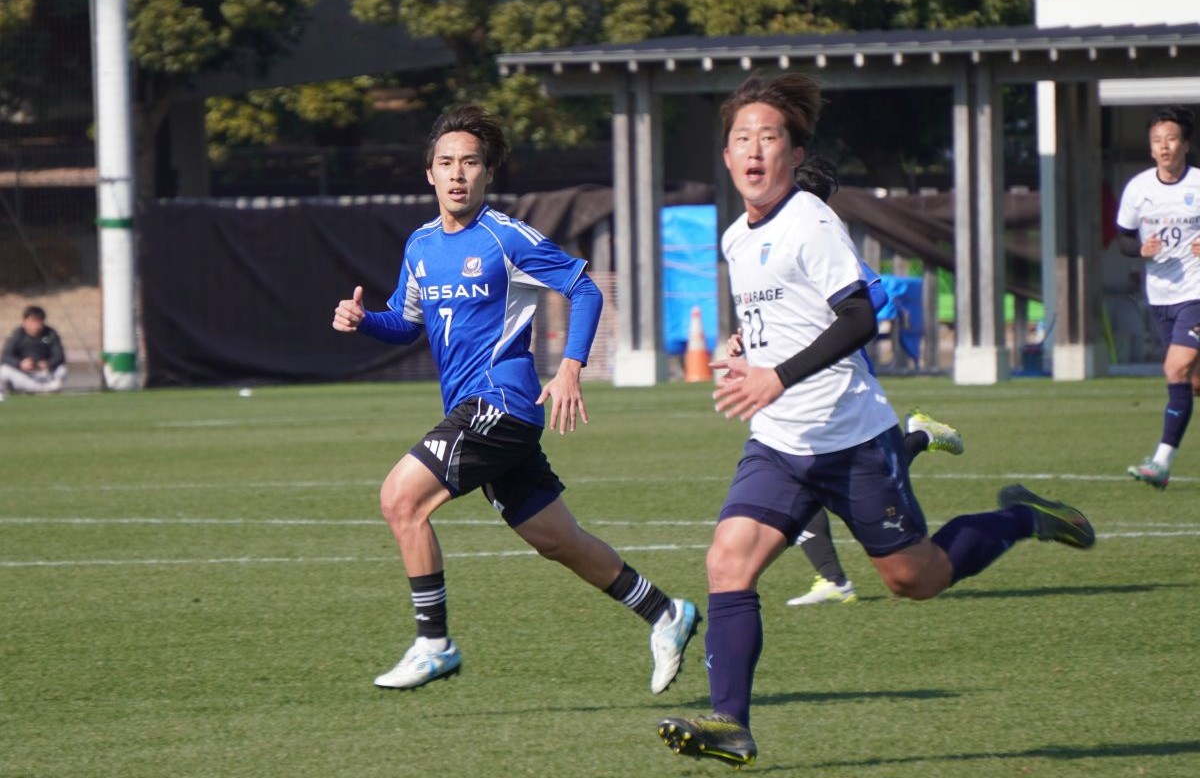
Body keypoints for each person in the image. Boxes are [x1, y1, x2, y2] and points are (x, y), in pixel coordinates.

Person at [656, 73, 1095, 768]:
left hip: (853, 439)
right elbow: (774, 312)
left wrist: (776, 375)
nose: (754, 148)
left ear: (795, 155)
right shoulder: (738, 236)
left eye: (769, 137)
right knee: (727, 561)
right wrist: (746, 342)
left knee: (912, 578)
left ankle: (1024, 519)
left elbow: (860, 314)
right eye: (742, 137)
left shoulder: (810, 219)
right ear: (726, 154)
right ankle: (730, 724)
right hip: (779, 443)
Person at [331, 105, 699, 693]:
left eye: (470, 163)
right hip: (478, 415)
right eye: (446, 163)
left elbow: (582, 288)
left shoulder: (505, 237)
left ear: (487, 174)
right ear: (429, 173)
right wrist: (363, 320)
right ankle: (665, 613)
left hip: (499, 405)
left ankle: (434, 643)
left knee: (401, 500)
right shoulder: (421, 245)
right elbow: (405, 323)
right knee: (558, 540)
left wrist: (571, 367)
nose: (458, 174)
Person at [730, 159, 966, 607]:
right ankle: (834, 576)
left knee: (820, 472)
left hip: (832, 383)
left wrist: (817, 320)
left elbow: (871, 294)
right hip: (786, 393)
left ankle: (835, 577)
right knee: (800, 471)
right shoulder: (763, 241)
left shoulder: (818, 234)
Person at [1116, 105, 1200, 490]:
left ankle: (1162, 461)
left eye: (1171, 139)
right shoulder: (1138, 189)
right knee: (1192, 382)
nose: (1164, 147)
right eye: (1156, 141)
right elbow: (1122, 240)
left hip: (1196, 293)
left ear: (1186, 144)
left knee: (1175, 370)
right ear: (1151, 149)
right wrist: (1141, 250)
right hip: (1160, 296)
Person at [0, 305, 67, 394]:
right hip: (24, 374)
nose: (36, 326)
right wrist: (20, 363)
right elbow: (6, 356)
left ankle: (41, 388)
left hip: (43, 373)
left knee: (62, 370)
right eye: (33, 321)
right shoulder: (18, 335)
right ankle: (43, 389)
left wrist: (47, 363)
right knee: (4, 371)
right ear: (25, 321)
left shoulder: (50, 333)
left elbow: (59, 356)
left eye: (39, 322)